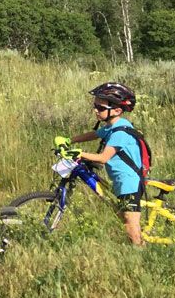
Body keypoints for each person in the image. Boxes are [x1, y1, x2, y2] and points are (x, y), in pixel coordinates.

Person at [59, 82, 146, 246]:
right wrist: (69, 141)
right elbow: (94, 134)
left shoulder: (120, 132)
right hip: (121, 181)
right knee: (124, 217)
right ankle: (139, 245)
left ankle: (141, 256)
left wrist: (78, 153)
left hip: (128, 182)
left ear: (117, 110)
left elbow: (103, 158)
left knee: (129, 222)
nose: (95, 110)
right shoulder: (113, 127)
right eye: (95, 106)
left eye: (100, 108)